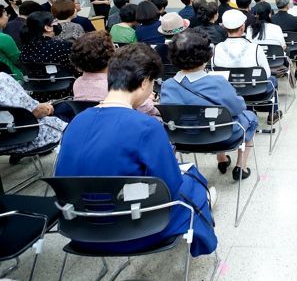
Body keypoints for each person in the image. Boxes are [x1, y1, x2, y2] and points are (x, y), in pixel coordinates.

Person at [54, 43, 217, 257]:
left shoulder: (76, 122)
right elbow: (169, 187)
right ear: (144, 82)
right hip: (137, 231)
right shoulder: (146, 126)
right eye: (153, 84)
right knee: (193, 183)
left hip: (80, 229)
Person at [161, 29, 258, 179]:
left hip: (182, 140)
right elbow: (238, 108)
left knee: (215, 117)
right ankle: (241, 167)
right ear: (206, 55)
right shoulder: (217, 82)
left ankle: (222, 159)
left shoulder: (167, 85)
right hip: (223, 138)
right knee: (250, 118)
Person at [213, 9, 282, 125]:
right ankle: (272, 113)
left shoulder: (217, 49)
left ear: (224, 27)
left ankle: (248, 111)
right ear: (242, 27)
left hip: (229, 94)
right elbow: (266, 74)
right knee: (272, 80)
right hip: (255, 93)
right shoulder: (255, 48)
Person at [70, 31, 160, 117]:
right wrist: (149, 97)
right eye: (114, 47)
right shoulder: (117, 85)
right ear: (111, 55)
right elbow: (147, 109)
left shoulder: (77, 83)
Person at [0, 70, 65, 160]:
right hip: (29, 135)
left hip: (3, 141)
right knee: (66, 112)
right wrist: (47, 108)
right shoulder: (2, 79)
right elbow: (33, 113)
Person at [20, 11, 75, 100]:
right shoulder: (62, 45)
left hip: (38, 93)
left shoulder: (25, 48)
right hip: (64, 90)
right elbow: (76, 68)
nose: (58, 24)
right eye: (55, 22)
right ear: (47, 28)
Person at [272, 0, 297, 81]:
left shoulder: (272, 19)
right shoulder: (294, 19)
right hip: (294, 49)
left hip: (277, 50)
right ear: (287, 6)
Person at [0, 5, 23, 79]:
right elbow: (18, 59)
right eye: (6, 15)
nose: (7, 18)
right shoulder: (4, 38)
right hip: (10, 77)